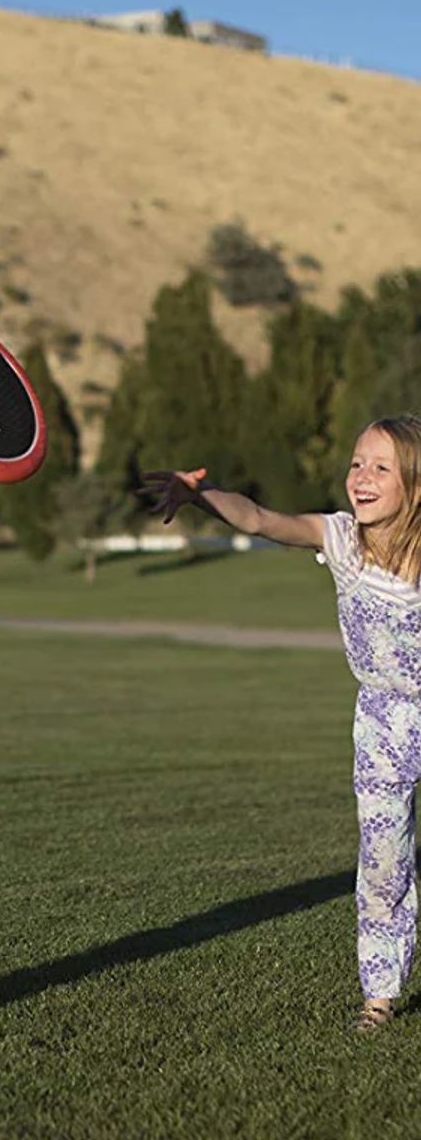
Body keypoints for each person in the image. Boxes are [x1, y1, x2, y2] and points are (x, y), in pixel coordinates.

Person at [141, 415, 421, 1033]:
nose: (362, 477)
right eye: (356, 463)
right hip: (384, 718)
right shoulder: (342, 539)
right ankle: (380, 996)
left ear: (414, 483)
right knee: (383, 859)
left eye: (381, 467)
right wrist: (200, 496)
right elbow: (260, 518)